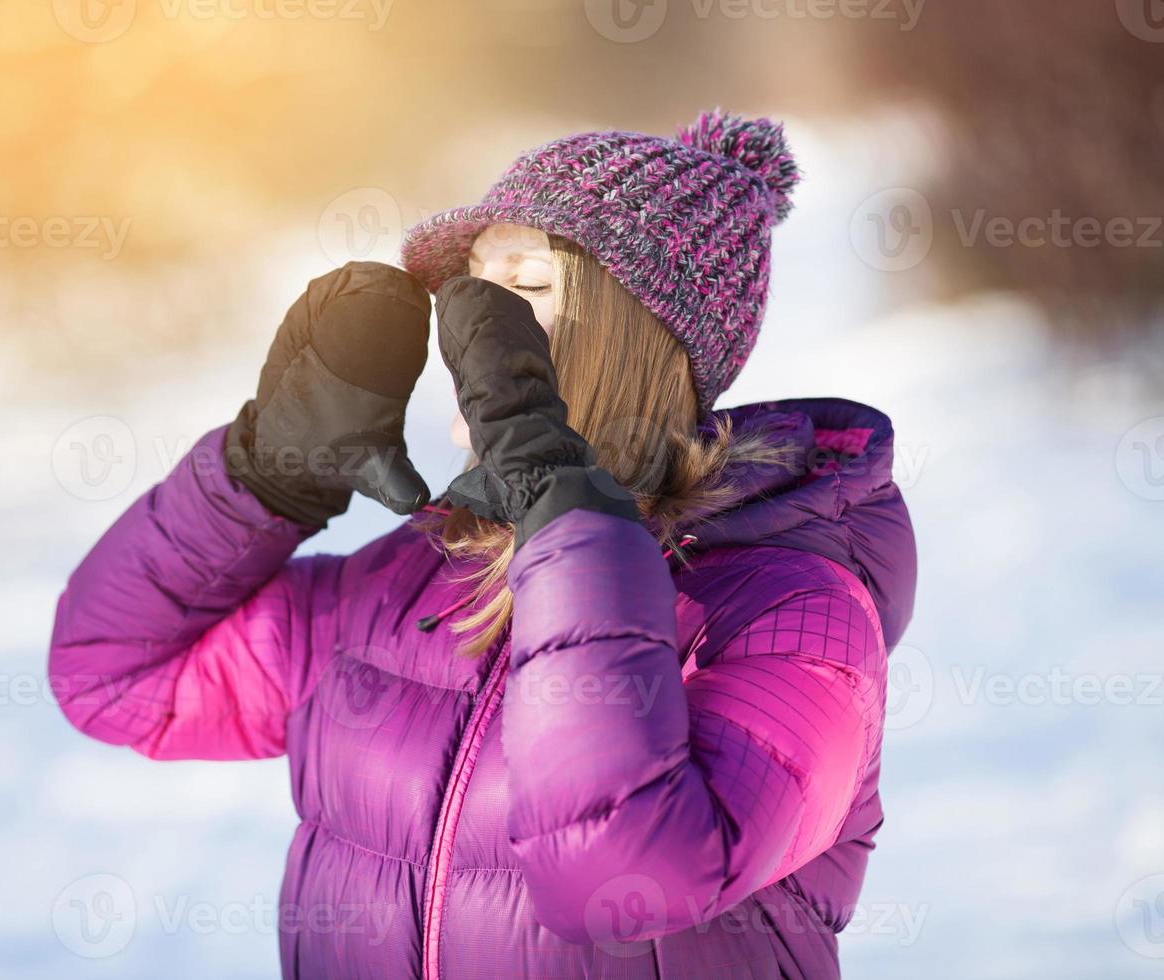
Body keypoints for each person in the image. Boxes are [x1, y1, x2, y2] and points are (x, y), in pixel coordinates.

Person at [48, 110, 918, 979]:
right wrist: (266, 471)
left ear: (639, 339)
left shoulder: (800, 618)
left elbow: (623, 876)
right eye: (471, 287)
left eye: (525, 287)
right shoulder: (413, 582)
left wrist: (570, 522)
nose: (473, 329)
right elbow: (115, 675)